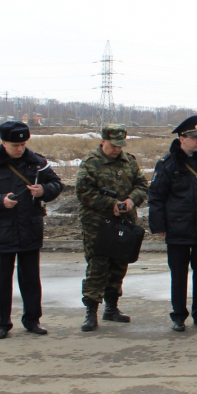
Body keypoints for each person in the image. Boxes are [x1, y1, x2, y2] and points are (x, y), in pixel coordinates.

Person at [0, 121, 64, 338]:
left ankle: (32, 320)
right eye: (14, 145)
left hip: (29, 229)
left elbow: (57, 184)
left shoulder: (37, 163)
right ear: (3, 143)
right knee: (2, 281)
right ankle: (1, 323)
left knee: (31, 279)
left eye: (22, 144)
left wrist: (43, 191)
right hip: (1, 230)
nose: (19, 148)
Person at [149, 115, 197, 332]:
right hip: (177, 228)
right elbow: (156, 196)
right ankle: (178, 316)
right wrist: (159, 226)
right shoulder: (167, 163)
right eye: (193, 137)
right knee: (179, 274)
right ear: (182, 139)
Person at [74, 124, 149, 332]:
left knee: (118, 266)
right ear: (103, 141)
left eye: (120, 145)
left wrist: (132, 200)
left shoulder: (129, 161)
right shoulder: (91, 163)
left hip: (124, 224)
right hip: (97, 225)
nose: (117, 149)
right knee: (97, 267)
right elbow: (83, 192)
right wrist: (110, 205)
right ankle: (91, 311)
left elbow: (142, 185)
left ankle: (112, 308)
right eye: (113, 145)